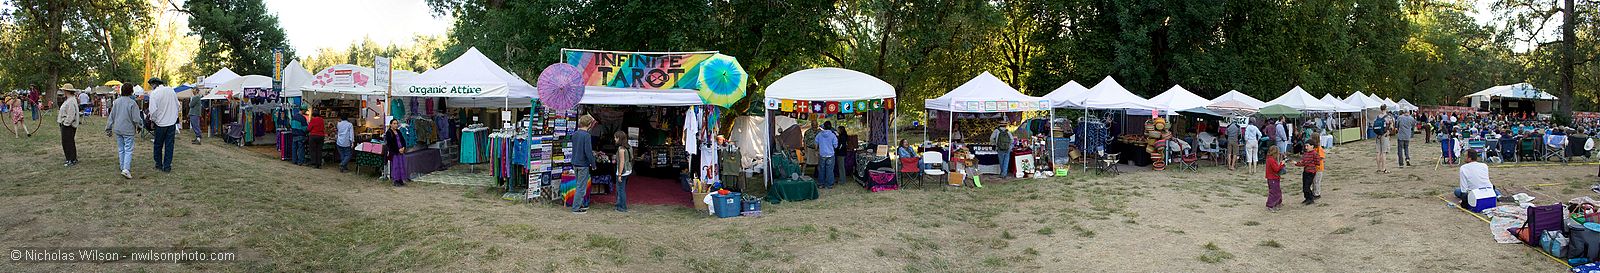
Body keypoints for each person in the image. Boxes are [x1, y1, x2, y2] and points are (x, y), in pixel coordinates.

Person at [106, 84, 141, 179]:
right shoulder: (132, 103)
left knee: (121, 149)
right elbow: (136, 118)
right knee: (128, 149)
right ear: (131, 91)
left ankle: (122, 167)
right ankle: (126, 169)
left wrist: (108, 128)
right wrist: (139, 125)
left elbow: (111, 116)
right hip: (128, 129)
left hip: (118, 128)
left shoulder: (116, 102)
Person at [146, 78, 179, 173]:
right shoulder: (171, 91)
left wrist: (153, 121)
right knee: (169, 145)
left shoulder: (154, 93)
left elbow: (153, 111)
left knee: (158, 145)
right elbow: (177, 105)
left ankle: (159, 164)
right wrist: (174, 116)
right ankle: (167, 166)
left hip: (160, 123)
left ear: (153, 85)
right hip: (171, 122)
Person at [570, 115, 597, 214]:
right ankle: (576, 208)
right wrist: (593, 164)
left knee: (579, 185)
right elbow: (588, 152)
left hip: (575, 162)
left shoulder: (575, 134)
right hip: (583, 164)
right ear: (589, 124)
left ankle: (579, 205)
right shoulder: (586, 135)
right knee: (581, 187)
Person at [1293, 139, 1323, 205]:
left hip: (1311, 172)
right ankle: (1307, 198)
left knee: (1307, 186)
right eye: (1305, 146)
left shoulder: (1315, 153)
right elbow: (1303, 162)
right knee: (1304, 186)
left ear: (1312, 146)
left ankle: (1310, 198)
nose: (1306, 147)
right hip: (1306, 171)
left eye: (1307, 146)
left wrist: (1311, 164)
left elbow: (1318, 162)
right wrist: (1297, 163)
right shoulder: (1305, 154)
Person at [57, 87, 80, 167]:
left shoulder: (70, 101)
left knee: (67, 142)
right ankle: (72, 158)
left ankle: (71, 159)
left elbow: (71, 114)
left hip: (68, 125)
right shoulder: (70, 100)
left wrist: (66, 123)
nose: (63, 91)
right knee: (69, 142)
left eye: (64, 90)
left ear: (67, 91)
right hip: (68, 124)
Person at [383, 118, 408, 187]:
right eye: (394, 123)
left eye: (396, 123)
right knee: (396, 166)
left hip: (401, 151)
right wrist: (398, 150)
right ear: (391, 124)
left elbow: (403, 140)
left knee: (401, 165)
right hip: (394, 152)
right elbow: (390, 144)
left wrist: (403, 147)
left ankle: (400, 179)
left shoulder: (398, 131)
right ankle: (396, 180)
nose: (395, 125)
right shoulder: (388, 132)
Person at [814, 121, 839, 189]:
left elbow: (816, 143)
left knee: (821, 170)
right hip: (830, 155)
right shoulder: (833, 135)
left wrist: (816, 150)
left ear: (824, 127)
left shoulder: (819, 134)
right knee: (830, 170)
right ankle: (829, 185)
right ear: (831, 127)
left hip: (822, 154)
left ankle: (820, 184)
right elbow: (836, 146)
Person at [613, 131, 633, 212]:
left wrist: (620, 174)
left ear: (619, 138)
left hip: (623, 170)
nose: (614, 139)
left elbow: (621, 162)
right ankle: (619, 205)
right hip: (628, 169)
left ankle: (622, 207)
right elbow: (631, 158)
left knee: (620, 189)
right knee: (622, 188)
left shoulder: (621, 149)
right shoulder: (629, 147)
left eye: (615, 137)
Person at [1372, 106, 1393, 174]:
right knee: (1383, 153)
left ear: (1380, 109)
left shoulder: (1377, 117)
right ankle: (1383, 168)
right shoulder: (1388, 117)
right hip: (1385, 135)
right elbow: (1391, 127)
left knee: (1378, 152)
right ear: (1386, 109)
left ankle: (1378, 168)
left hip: (1378, 135)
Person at [1264, 146, 1285, 211]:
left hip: (1274, 178)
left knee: (1277, 191)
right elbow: (1276, 169)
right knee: (1273, 192)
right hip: (1272, 178)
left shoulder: (1269, 159)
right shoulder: (1271, 160)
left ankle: (1277, 203)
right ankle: (1270, 205)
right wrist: (1282, 164)